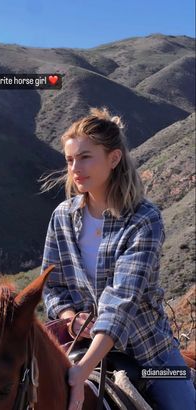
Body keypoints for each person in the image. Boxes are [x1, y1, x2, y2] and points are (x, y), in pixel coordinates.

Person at [41, 107, 195, 410]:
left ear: (114, 158)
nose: (75, 168)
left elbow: (121, 303)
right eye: (70, 159)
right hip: (77, 345)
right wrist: (71, 320)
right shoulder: (62, 217)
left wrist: (83, 369)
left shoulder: (143, 219)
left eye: (85, 157)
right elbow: (51, 287)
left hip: (150, 357)